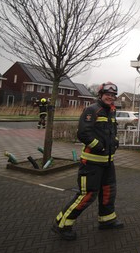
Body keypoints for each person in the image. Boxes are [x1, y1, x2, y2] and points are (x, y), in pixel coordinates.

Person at [51, 82, 123, 240]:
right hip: (92, 162)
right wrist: (100, 147)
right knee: (87, 194)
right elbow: (83, 133)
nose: (110, 97)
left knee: (108, 191)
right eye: (107, 94)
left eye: (113, 95)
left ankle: (107, 220)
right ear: (100, 95)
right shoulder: (92, 110)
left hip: (108, 162)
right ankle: (62, 224)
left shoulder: (111, 111)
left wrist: (115, 141)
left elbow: (113, 131)